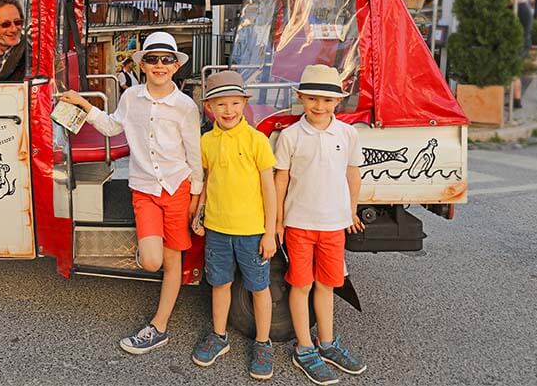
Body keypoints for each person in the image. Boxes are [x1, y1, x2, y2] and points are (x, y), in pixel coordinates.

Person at [60, 31, 203, 355]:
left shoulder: (185, 106)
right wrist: (84, 103)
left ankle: (159, 326)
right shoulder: (131, 98)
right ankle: (147, 245)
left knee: (173, 260)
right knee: (152, 262)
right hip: (143, 189)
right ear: (143, 65)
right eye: (152, 59)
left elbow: (194, 153)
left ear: (175, 66)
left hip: (177, 186)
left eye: (167, 59)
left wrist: (196, 194)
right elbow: (112, 126)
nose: (160, 65)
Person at [274, 64, 366, 385]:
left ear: (337, 102)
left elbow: (352, 173)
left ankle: (327, 343)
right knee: (301, 285)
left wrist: (351, 211)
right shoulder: (290, 136)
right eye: (312, 98)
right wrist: (278, 220)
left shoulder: (347, 134)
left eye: (327, 100)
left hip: (333, 225)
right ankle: (304, 348)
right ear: (300, 97)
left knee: (328, 284)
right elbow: (281, 178)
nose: (319, 106)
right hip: (299, 223)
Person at [191, 71, 278, 380]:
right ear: (209, 108)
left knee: (259, 287)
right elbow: (206, 180)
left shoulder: (257, 140)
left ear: (244, 103)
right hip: (217, 228)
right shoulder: (206, 141)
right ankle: (219, 335)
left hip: (252, 231)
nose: (228, 111)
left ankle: (263, 342)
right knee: (220, 283)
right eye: (220, 104)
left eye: (234, 103)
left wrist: (270, 232)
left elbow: (269, 189)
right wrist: (198, 212)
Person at [512, 0, 533, 109]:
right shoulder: (525, 7)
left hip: (520, 45)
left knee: (514, 73)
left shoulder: (520, 9)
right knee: (516, 73)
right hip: (524, 44)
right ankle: (516, 100)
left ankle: (516, 101)